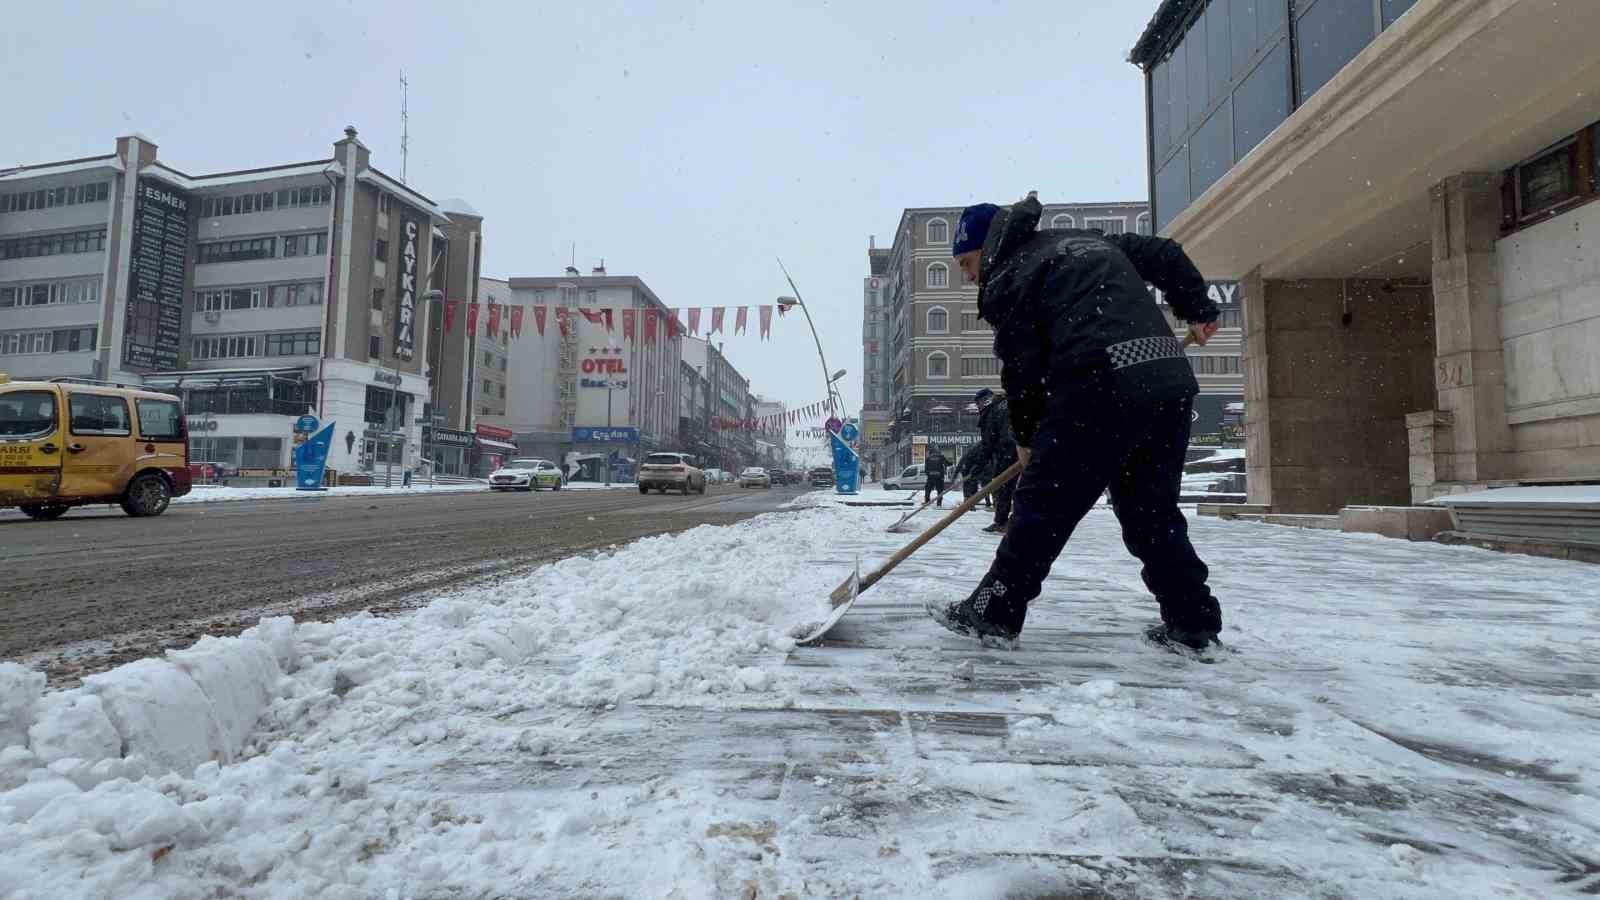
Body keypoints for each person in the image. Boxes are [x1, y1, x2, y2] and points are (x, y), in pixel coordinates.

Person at [927, 194, 1223, 651]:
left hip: (1098, 386)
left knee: (1042, 508)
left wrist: (1026, 439)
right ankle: (1193, 620)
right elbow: (1164, 254)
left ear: (989, 246)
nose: (969, 277)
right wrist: (1198, 309)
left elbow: (1022, 374)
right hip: (1165, 381)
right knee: (1151, 513)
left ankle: (992, 612)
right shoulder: (1083, 240)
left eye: (968, 263)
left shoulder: (1009, 277)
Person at [973, 388, 1018, 534]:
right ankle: (1015, 520)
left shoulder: (990, 412)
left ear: (983, 401)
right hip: (1025, 445)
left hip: (1008, 449)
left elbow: (988, 443)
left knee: (1002, 485)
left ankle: (1002, 522)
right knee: (1026, 484)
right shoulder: (1005, 403)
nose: (977, 408)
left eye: (977, 404)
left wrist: (979, 466)